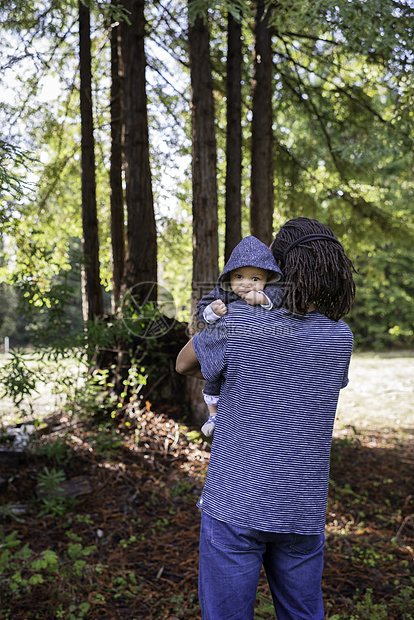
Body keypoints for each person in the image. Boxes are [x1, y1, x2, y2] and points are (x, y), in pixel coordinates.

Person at [176, 217, 357, 620]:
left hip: (236, 503)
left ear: (280, 268)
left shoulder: (239, 322)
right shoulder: (339, 337)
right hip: (302, 508)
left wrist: (222, 315)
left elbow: (184, 363)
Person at [195, 235, 283, 436]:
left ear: (267, 279)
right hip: (225, 347)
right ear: (229, 276)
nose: (246, 285)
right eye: (239, 277)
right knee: (214, 373)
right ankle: (213, 415)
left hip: (258, 350)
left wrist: (261, 298)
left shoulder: (271, 291)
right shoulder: (224, 291)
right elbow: (201, 309)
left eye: (255, 279)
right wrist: (212, 311)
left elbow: (278, 296)